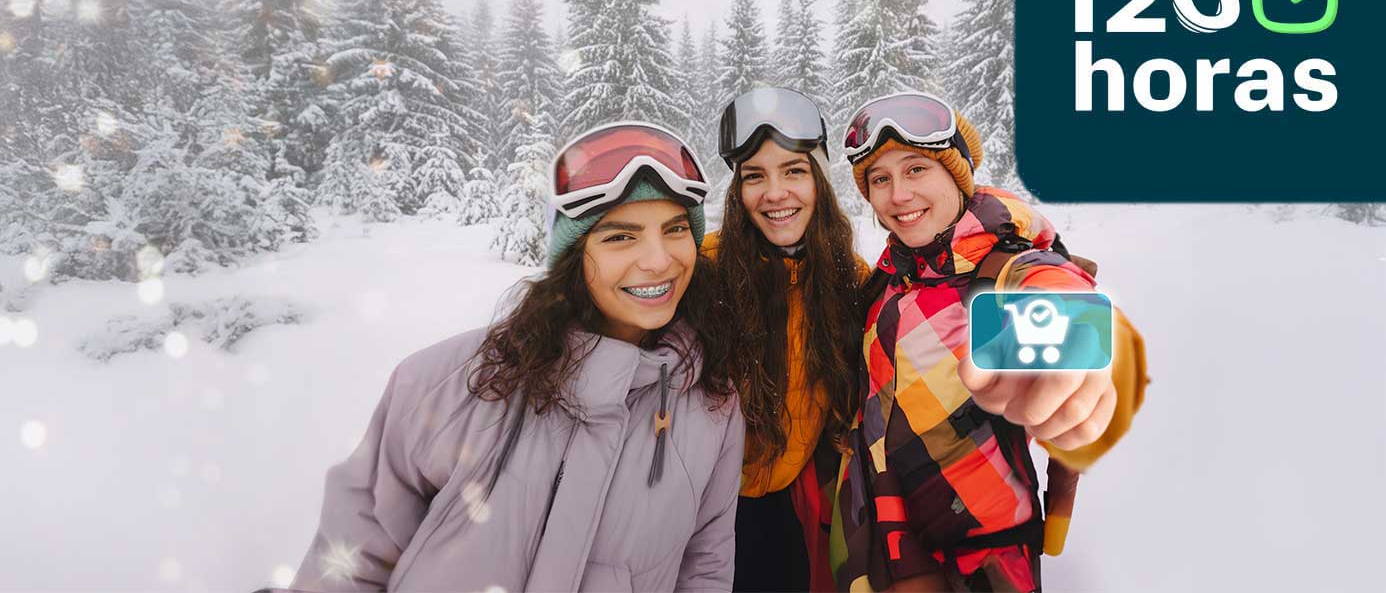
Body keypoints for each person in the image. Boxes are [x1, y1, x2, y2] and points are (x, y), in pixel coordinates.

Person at [289, 122, 746, 592]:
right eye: (619, 237)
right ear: (573, 255)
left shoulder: (713, 406)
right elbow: (348, 563)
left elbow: (704, 569)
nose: (659, 260)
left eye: (675, 229)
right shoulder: (445, 382)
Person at [830, 92, 1149, 592]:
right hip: (894, 541)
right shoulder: (891, 280)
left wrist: (1080, 345)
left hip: (986, 556)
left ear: (957, 176)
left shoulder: (998, 275)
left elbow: (1058, 294)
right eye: (880, 179)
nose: (898, 195)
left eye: (916, 170)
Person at [705, 87, 870, 592]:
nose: (774, 193)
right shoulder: (704, 271)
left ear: (818, 180)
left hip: (790, 509)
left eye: (793, 171)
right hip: (704, 514)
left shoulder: (847, 278)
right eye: (754, 176)